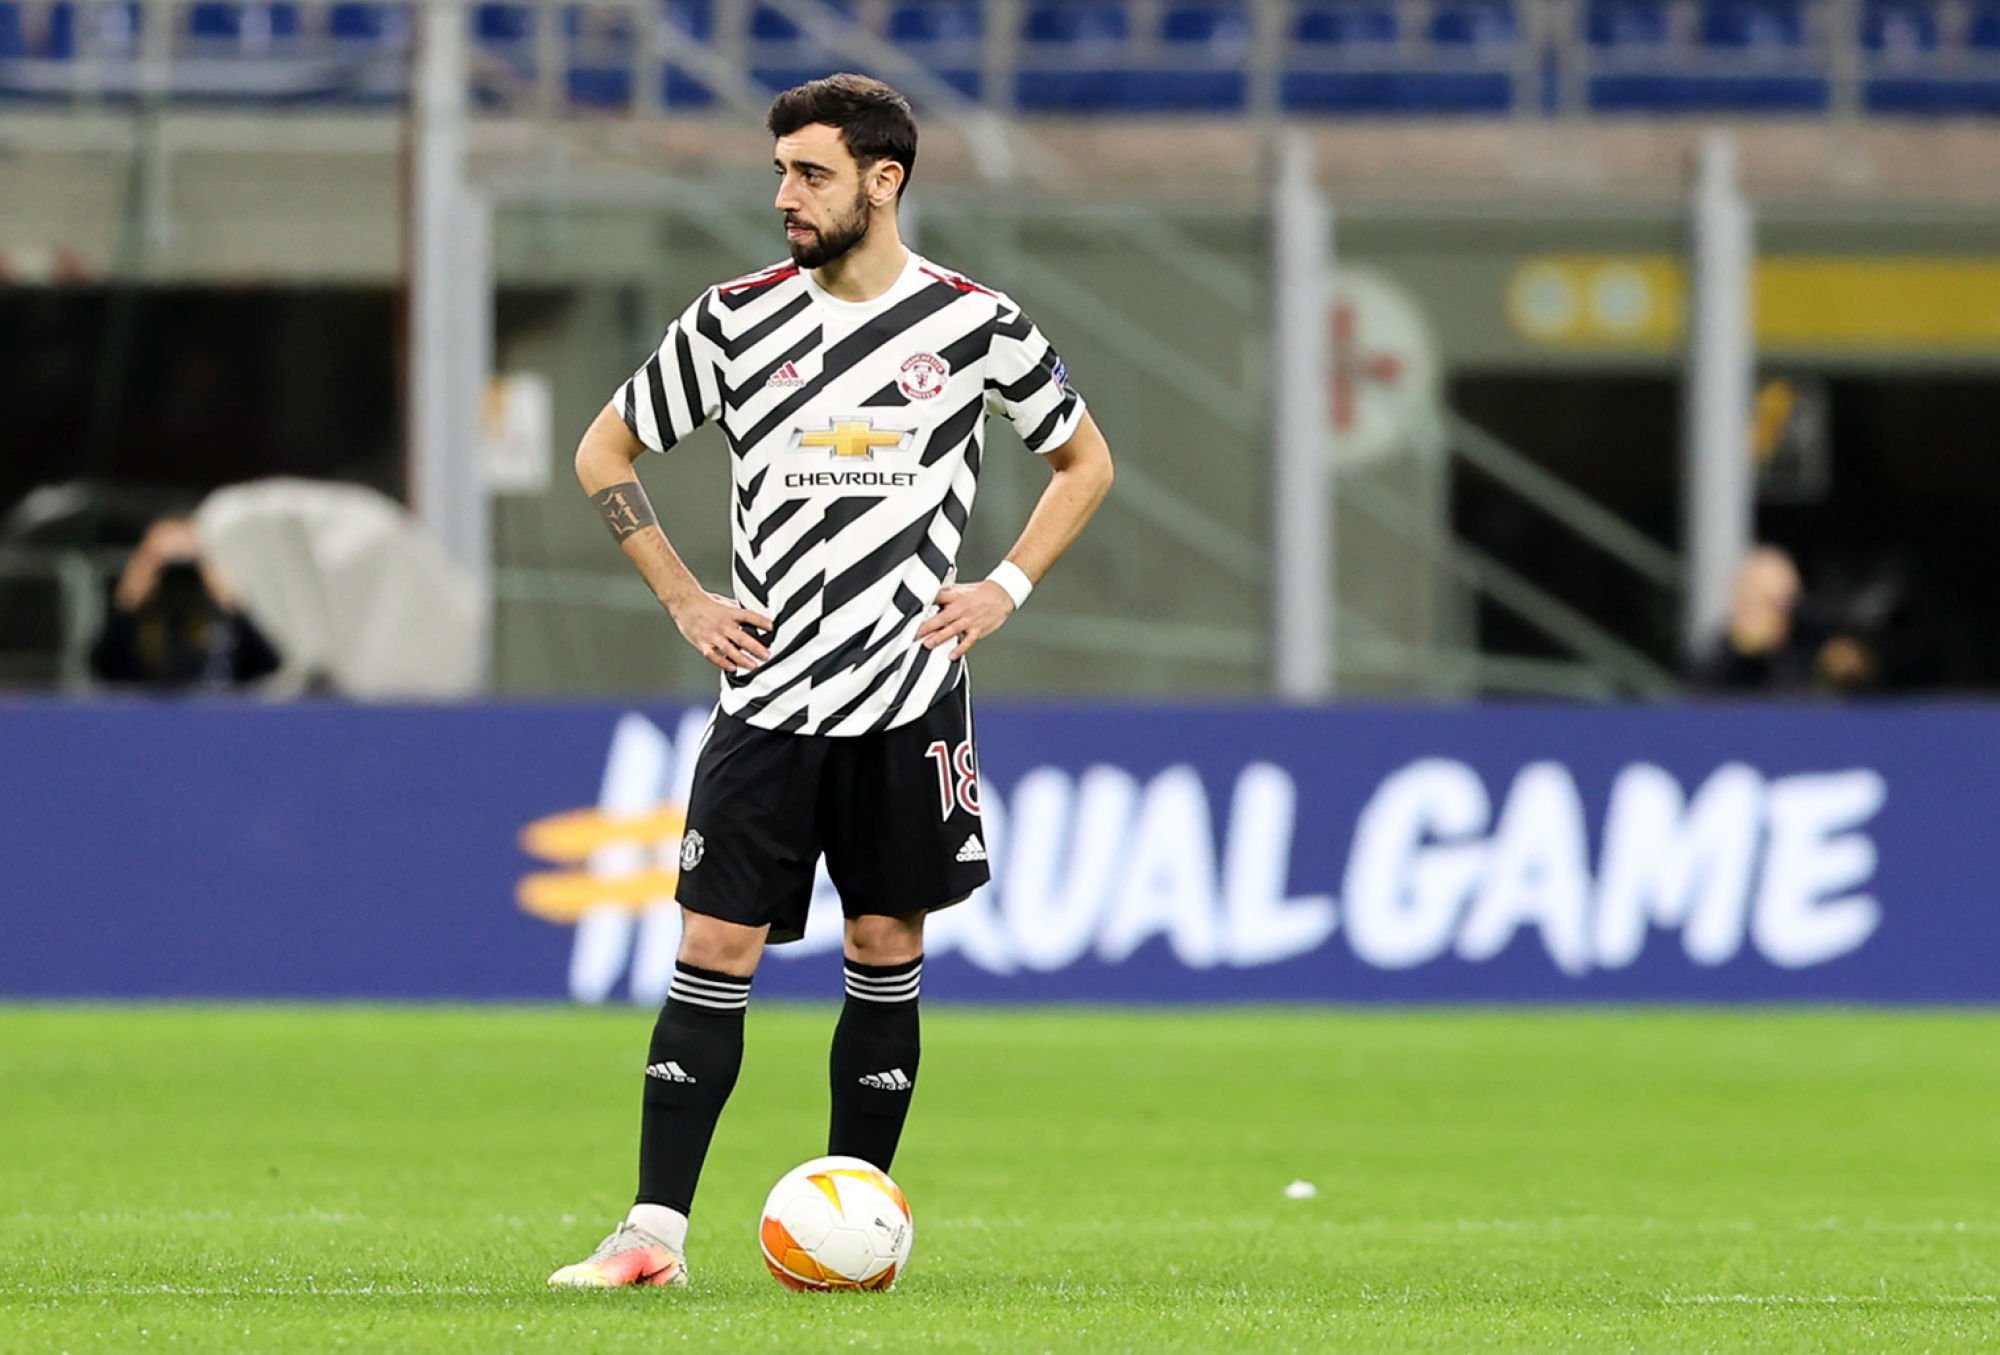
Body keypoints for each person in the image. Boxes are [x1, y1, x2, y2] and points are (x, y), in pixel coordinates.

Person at [549, 74, 1114, 1289]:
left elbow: (1083, 460)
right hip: (766, 695)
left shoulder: (974, 324)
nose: (784, 197)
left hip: (907, 694)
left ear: (882, 180)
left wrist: (1003, 586)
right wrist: (683, 596)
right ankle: (650, 1233)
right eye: (779, 173)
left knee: (882, 935)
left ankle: (860, 1228)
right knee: (715, 941)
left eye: (809, 173)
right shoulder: (732, 319)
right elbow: (604, 447)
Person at [89, 516, 281, 691]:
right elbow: (101, 668)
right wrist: (127, 603)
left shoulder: (219, 618)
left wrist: (233, 606)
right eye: (164, 560)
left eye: (187, 560)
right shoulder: (137, 619)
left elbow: (267, 664)